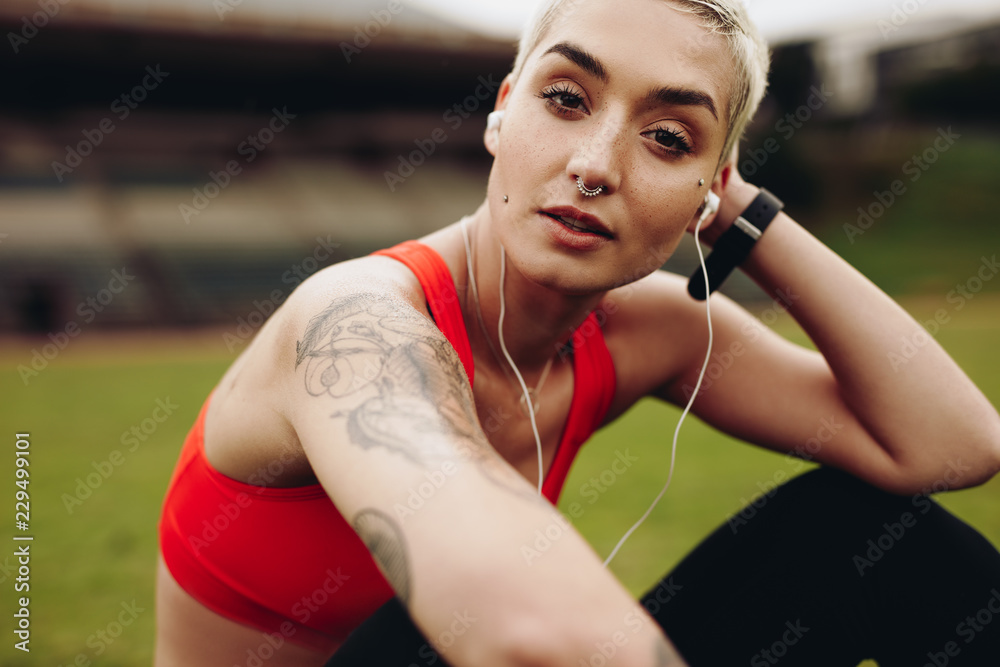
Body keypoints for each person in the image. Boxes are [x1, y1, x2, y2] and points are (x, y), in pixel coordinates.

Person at [154, 0, 1000, 665]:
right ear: (501, 115)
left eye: (668, 139)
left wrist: (744, 215)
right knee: (447, 623)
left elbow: (949, 445)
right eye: (566, 99)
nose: (596, 164)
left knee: (852, 533)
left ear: (706, 190)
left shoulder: (648, 329)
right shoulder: (354, 320)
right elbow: (522, 629)